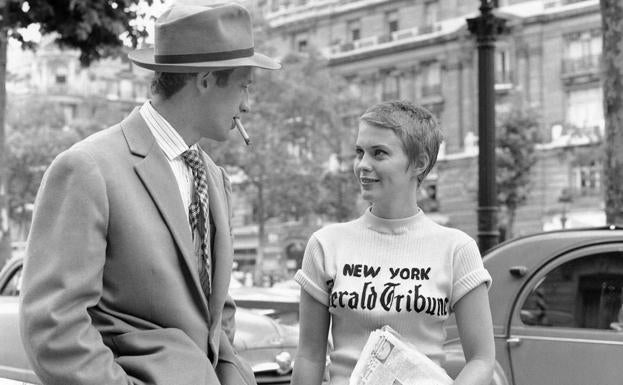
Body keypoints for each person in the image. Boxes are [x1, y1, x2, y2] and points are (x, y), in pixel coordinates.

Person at [19, 3, 280, 385]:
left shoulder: (214, 176)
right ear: (205, 79)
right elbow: (53, 328)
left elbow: (216, 320)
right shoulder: (87, 169)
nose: (247, 104)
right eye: (244, 85)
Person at [291, 100, 495, 385]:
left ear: (419, 163)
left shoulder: (457, 249)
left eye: (379, 154)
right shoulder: (325, 245)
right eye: (359, 152)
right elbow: (310, 356)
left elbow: (482, 360)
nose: (363, 165)